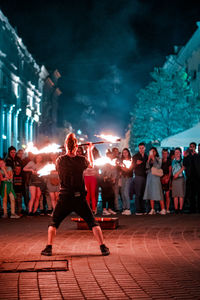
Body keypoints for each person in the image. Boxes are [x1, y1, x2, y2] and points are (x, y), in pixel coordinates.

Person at [41, 133, 109, 256]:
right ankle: (103, 247)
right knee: (93, 223)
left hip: (64, 197)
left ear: (65, 146)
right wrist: (89, 150)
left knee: (54, 223)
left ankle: (48, 247)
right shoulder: (81, 160)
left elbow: (59, 167)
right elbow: (91, 165)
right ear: (77, 146)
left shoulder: (60, 160)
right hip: (79, 198)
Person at [143, 147, 165, 215]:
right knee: (150, 191)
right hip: (149, 176)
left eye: (153, 151)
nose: (152, 153)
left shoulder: (159, 159)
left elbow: (158, 166)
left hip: (156, 177)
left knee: (158, 192)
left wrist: (153, 159)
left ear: (155, 152)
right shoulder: (149, 159)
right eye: (151, 151)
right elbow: (146, 167)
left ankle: (163, 209)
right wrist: (149, 159)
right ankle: (152, 209)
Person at [132, 142, 148, 215]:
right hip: (138, 176)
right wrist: (136, 164)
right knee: (138, 194)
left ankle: (143, 209)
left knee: (144, 193)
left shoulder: (146, 156)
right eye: (140, 148)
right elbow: (131, 167)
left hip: (145, 176)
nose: (141, 149)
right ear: (138, 148)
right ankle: (138, 210)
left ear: (145, 148)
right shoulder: (135, 156)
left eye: (142, 148)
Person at [172, 148, 185, 214]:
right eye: (175, 152)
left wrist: (177, 174)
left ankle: (180, 209)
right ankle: (176, 209)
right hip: (174, 179)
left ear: (180, 153)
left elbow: (183, 168)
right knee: (175, 194)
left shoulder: (182, 160)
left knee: (180, 194)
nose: (176, 153)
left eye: (178, 152)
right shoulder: (173, 161)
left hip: (180, 178)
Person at [120, 148, 133, 216]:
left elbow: (130, 169)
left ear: (128, 153)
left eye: (126, 152)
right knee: (122, 192)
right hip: (123, 177)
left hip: (128, 177)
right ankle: (124, 208)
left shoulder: (131, 160)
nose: (124, 154)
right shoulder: (121, 161)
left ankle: (128, 208)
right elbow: (119, 169)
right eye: (123, 152)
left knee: (126, 192)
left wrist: (124, 168)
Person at [161, 149, 172, 214]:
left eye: (166, 153)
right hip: (161, 179)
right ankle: (163, 208)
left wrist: (168, 178)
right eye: (163, 153)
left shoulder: (169, 161)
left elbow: (170, 171)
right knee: (161, 195)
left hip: (167, 178)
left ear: (167, 154)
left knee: (167, 195)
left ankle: (167, 209)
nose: (164, 155)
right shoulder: (160, 161)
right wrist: (161, 178)